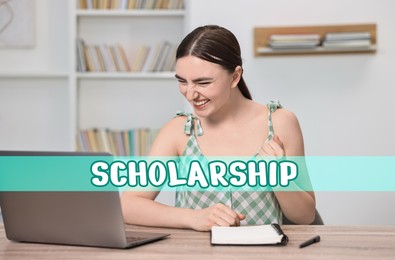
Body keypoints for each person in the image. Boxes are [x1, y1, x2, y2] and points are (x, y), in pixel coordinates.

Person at [121, 25, 316, 231]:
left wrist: (279, 179)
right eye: (182, 82)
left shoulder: (280, 123)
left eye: (202, 82)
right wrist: (193, 218)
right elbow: (129, 204)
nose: (190, 94)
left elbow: (305, 216)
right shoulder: (179, 131)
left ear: (235, 76)